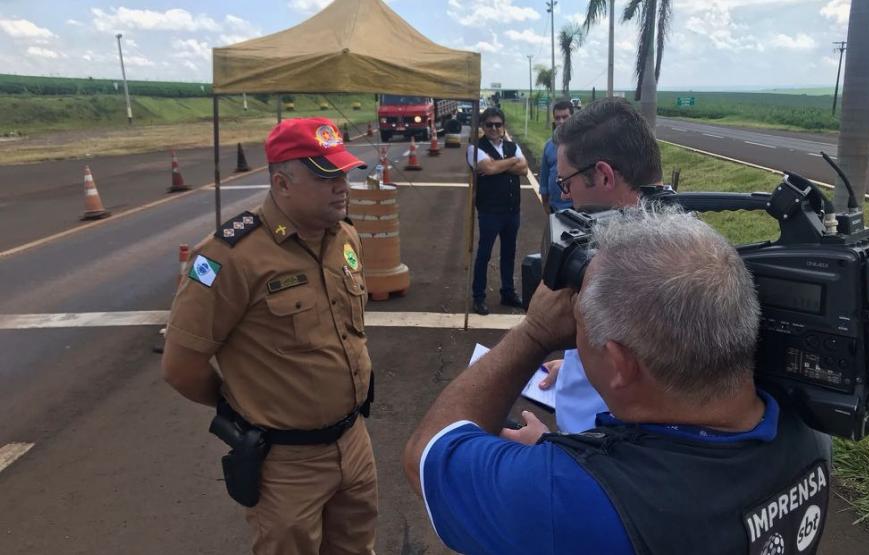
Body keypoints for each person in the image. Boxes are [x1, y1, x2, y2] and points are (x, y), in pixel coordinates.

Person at [404, 204, 831, 554]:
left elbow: (427, 453)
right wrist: (559, 455)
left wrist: (535, 333)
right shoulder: (808, 432)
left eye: (579, 324)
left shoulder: (574, 502)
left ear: (620, 364)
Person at [162, 117, 377, 555]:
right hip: (286, 463)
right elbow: (181, 368)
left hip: (354, 443)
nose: (342, 185)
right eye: (325, 176)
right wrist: (243, 406)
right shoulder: (228, 258)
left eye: (342, 173)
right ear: (282, 183)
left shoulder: (345, 237)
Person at [531, 96, 664, 434]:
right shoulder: (676, 240)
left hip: (589, 459)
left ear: (604, 176)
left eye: (566, 183)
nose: (567, 197)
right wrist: (576, 365)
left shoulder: (630, 267)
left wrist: (548, 448)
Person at [467, 106, 529, 316]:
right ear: (483, 127)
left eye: (498, 124)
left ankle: (508, 292)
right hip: (489, 211)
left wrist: (500, 164)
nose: (494, 128)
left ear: (504, 126)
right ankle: (478, 297)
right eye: (489, 124)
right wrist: (510, 162)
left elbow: (524, 169)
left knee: (509, 253)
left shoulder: (512, 146)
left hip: (512, 211)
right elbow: (488, 168)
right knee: (484, 254)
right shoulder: (475, 148)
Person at [538, 99, 574, 215]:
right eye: (557, 118)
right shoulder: (549, 145)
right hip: (555, 207)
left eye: (565, 117)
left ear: (573, 117)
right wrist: (545, 202)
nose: (561, 121)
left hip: (577, 206)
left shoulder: (583, 144)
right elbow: (544, 175)